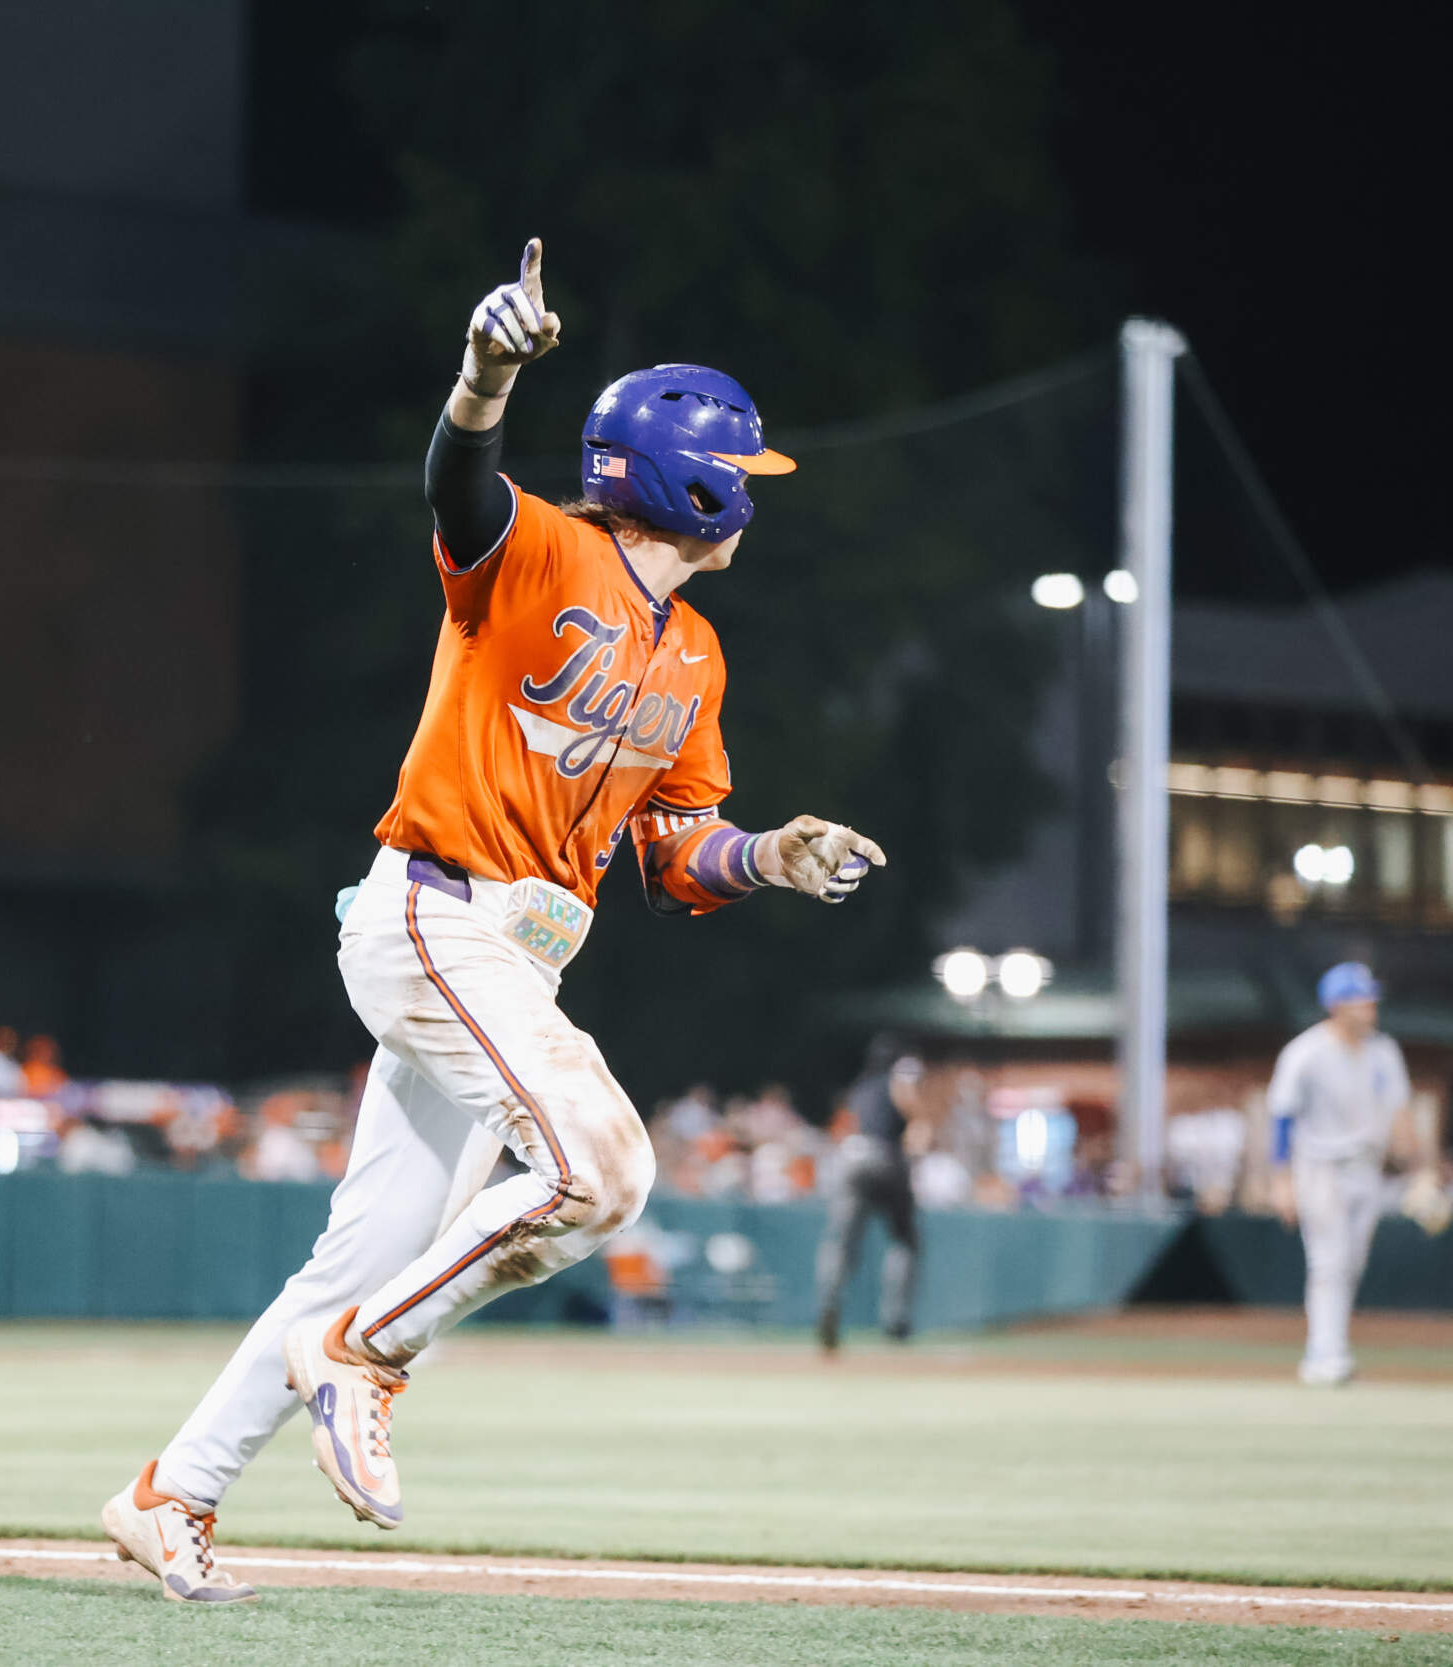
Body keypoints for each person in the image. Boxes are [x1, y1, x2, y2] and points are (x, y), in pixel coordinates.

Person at [101, 239, 886, 1603]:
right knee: (603, 1170)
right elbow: (460, 491)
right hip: (438, 915)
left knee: (365, 1254)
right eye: (741, 473)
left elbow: (673, 852)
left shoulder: (695, 652)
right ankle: (368, 1354)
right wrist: (481, 378)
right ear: (692, 483)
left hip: (510, 957)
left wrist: (767, 854)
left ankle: (172, 1493)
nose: (753, 497)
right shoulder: (546, 554)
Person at [1269, 962, 1414, 1387]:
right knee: (1329, 1261)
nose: (1370, 1006)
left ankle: (1331, 1350)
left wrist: (1419, 1169)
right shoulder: (1306, 1052)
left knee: (1351, 1263)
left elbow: (1401, 1113)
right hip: (1321, 1166)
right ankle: (1324, 1355)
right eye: (1360, 999)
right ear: (1336, 1005)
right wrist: (1281, 1180)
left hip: (1368, 1169)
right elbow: (1281, 1116)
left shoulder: (1383, 1051)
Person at [814, 1035, 925, 1351]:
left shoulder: (861, 1087)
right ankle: (895, 1320)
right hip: (886, 1156)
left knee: (840, 1243)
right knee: (904, 1240)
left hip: (851, 1158)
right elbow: (915, 1115)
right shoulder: (900, 1077)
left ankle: (829, 1302)